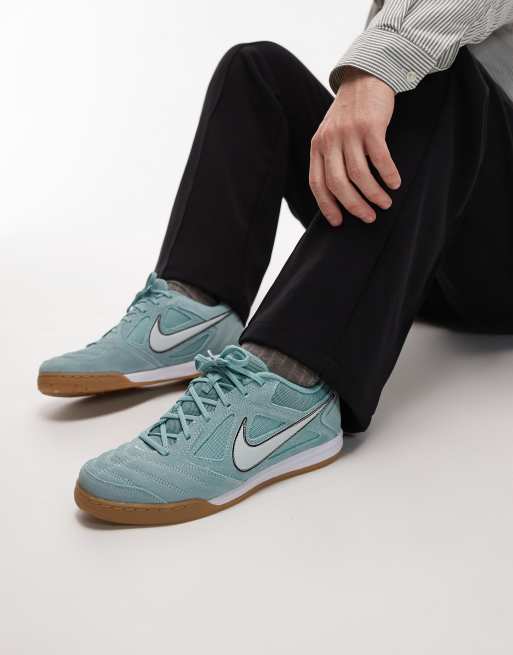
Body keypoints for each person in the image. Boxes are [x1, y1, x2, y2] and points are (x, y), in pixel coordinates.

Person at [40, 1, 513, 525]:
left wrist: (378, 70)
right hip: (418, 240)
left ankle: (288, 384)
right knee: (255, 69)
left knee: (433, 73)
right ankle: (192, 310)